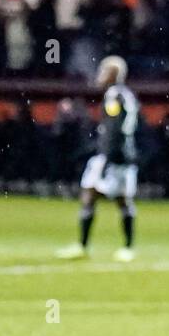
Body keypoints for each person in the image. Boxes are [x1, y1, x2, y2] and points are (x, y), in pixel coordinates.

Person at [56, 56, 140, 262]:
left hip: (115, 157)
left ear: (113, 74)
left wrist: (108, 157)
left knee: (121, 201)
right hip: (115, 156)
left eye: (104, 71)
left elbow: (115, 127)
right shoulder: (125, 94)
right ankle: (84, 245)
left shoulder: (114, 95)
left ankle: (126, 247)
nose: (100, 75)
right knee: (90, 196)